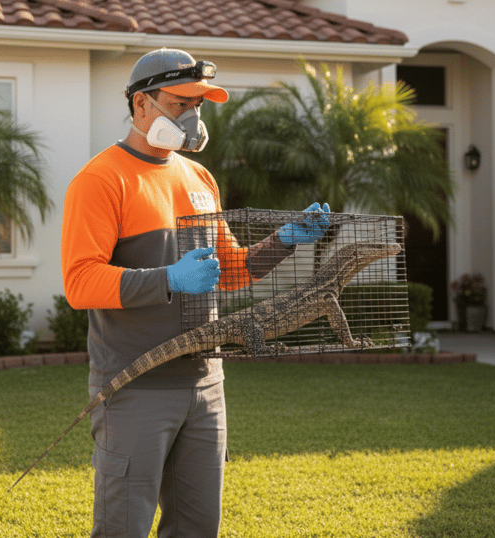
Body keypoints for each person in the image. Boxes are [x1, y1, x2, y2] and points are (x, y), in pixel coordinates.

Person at [61, 48, 330, 538]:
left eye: (199, 104)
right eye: (180, 103)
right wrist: (168, 278)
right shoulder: (100, 180)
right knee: (123, 527)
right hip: (134, 386)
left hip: (206, 384)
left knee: (198, 527)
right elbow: (80, 283)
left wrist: (287, 240)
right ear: (141, 105)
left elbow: (231, 271)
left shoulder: (198, 176)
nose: (192, 116)